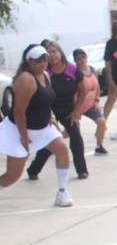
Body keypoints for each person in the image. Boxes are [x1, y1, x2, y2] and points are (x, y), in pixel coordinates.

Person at [0, 45, 73, 206]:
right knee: (13, 175)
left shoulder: (46, 75)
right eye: (39, 60)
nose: (44, 62)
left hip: (43, 127)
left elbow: (46, 101)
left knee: (61, 149)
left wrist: (51, 117)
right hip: (19, 130)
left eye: (45, 58)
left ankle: (62, 193)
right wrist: (24, 137)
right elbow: (19, 111)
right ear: (30, 62)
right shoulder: (26, 79)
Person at [26, 41, 88, 180]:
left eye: (54, 51)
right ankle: (33, 170)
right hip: (48, 109)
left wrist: (76, 112)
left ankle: (82, 170)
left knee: (75, 135)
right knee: (52, 141)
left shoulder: (72, 69)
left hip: (68, 110)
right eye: (49, 52)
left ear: (60, 52)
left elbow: (83, 92)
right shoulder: (44, 73)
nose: (52, 55)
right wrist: (49, 116)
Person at [73, 48, 108, 155]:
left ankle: (99, 146)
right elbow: (73, 92)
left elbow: (97, 87)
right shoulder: (75, 73)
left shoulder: (92, 69)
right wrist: (75, 110)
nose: (82, 60)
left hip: (91, 105)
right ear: (75, 61)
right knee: (72, 130)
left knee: (102, 123)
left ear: (86, 57)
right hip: (78, 105)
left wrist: (97, 100)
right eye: (78, 59)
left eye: (83, 57)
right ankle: (52, 143)